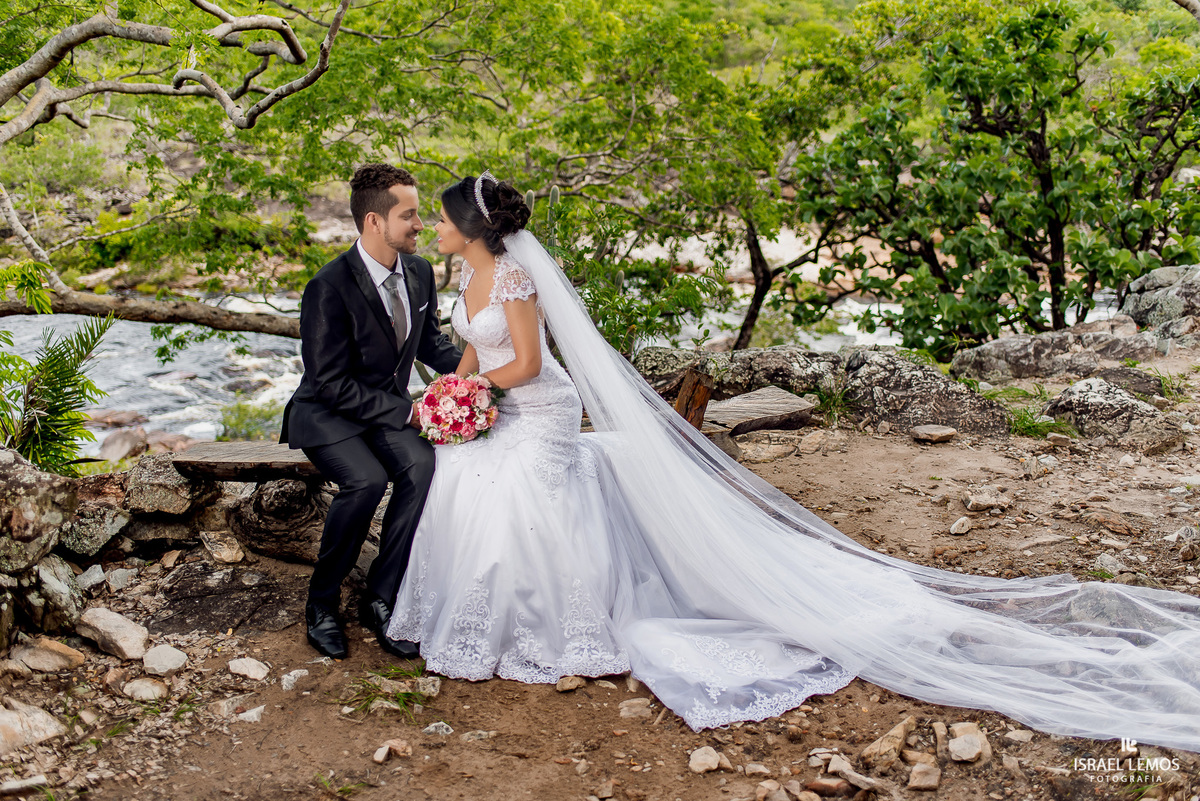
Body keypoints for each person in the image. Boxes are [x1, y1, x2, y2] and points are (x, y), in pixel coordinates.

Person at [389, 171, 1200, 751]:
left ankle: (558, 628)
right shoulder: (464, 271)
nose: (436, 227)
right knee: (462, 475)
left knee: (517, 490)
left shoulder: (520, 274)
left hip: (540, 406)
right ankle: (468, 622)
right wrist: (446, 398)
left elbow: (527, 364)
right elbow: (471, 349)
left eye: (444, 215)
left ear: (474, 223)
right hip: (496, 399)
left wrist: (477, 398)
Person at [281, 164, 461, 660]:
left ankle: (383, 598)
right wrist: (405, 414)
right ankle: (321, 604)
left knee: (423, 466)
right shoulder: (329, 286)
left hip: (384, 411)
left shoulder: (420, 273)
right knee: (365, 481)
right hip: (328, 413)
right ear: (374, 223)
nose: (421, 225)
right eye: (410, 215)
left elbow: (430, 344)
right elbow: (329, 382)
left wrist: (480, 371)